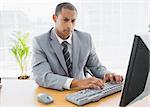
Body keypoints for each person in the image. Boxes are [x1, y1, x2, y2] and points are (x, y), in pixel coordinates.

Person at [32, 2, 123, 91]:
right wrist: (76, 83)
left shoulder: (86, 39)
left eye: (73, 21)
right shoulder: (40, 42)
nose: (69, 26)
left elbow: (95, 67)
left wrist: (107, 74)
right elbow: (42, 76)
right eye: (65, 20)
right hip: (56, 93)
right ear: (55, 18)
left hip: (82, 92)